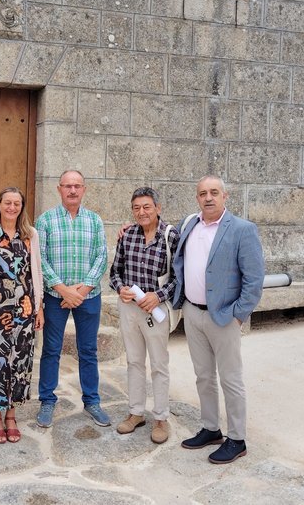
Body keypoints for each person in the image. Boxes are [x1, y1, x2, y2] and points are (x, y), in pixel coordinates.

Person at [173, 175, 264, 464]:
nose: (208, 197)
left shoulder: (242, 229)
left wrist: (238, 316)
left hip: (224, 317)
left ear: (225, 196)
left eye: (214, 192)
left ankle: (237, 439)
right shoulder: (190, 224)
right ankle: (211, 428)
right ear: (197, 198)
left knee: (230, 379)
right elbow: (165, 237)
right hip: (193, 312)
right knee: (203, 376)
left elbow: (254, 280)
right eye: (202, 193)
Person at [35, 170, 109, 428]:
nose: (73, 191)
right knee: (51, 350)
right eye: (68, 186)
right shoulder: (45, 221)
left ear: (84, 189)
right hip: (56, 297)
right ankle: (47, 400)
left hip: (89, 297)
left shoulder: (95, 221)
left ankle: (92, 400)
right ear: (59, 189)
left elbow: (102, 256)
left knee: (88, 350)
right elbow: (40, 259)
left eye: (77, 186)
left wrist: (83, 290)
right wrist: (63, 290)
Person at [0, 187, 44, 444]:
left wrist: (39, 308)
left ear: (21, 207)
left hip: (23, 311)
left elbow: (35, 273)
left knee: (20, 362)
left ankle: (11, 415)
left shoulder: (30, 235)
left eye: (17, 203)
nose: (12, 207)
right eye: (7, 203)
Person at [109, 187, 179, 443]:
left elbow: (179, 278)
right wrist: (121, 289)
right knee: (134, 362)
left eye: (147, 207)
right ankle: (136, 412)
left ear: (158, 208)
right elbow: (114, 273)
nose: (142, 212)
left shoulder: (171, 236)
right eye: (137, 208)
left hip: (155, 309)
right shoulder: (126, 235)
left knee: (159, 364)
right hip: (129, 308)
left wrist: (158, 296)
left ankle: (161, 418)